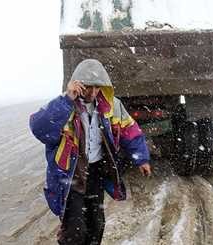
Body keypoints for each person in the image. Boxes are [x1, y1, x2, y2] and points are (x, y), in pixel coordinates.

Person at [29, 59, 151, 245]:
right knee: (75, 230)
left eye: (97, 87)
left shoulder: (111, 106)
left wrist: (141, 158)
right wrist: (67, 99)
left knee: (96, 225)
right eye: (88, 87)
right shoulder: (64, 105)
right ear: (78, 84)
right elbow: (39, 127)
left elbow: (130, 130)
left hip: (96, 172)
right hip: (71, 175)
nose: (93, 92)